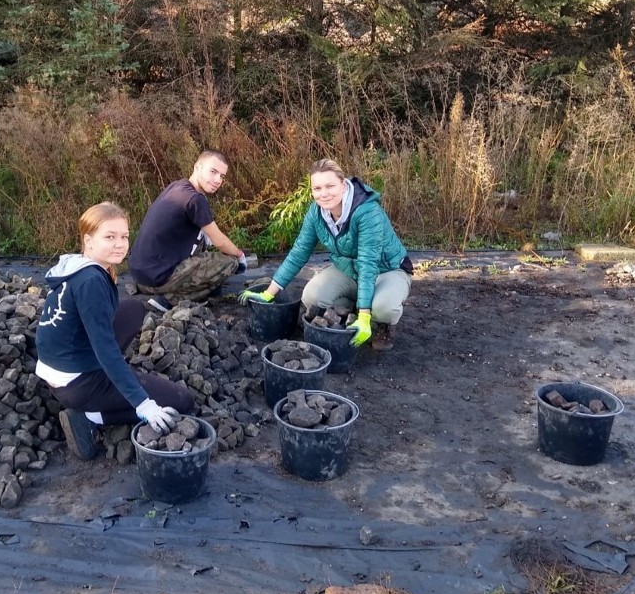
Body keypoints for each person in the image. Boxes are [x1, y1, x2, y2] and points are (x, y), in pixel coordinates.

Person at [34, 202, 194, 460]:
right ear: (88, 240)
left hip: (59, 364)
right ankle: (91, 417)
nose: (120, 244)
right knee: (182, 401)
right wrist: (144, 405)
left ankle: (108, 388)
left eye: (124, 236)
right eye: (109, 237)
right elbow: (107, 351)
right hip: (77, 384)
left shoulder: (77, 266)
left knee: (132, 309)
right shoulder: (91, 282)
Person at [240, 159, 412, 351]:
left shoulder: (367, 211)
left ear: (344, 184)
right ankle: (355, 306)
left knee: (383, 308)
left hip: (386, 269)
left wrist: (364, 317)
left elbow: (368, 263)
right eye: (317, 188)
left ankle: (381, 324)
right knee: (312, 297)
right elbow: (299, 252)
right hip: (348, 269)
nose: (324, 194)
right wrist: (268, 293)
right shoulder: (316, 213)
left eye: (330, 186)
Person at [128, 150, 247, 310]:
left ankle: (201, 287)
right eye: (213, 172)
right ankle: (169, 300)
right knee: (229, 262)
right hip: (157, 280)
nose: (218, 180)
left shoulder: (177, 187)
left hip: (140, 276)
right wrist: (240, 256)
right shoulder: (195, 199)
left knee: (203, 241)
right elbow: (220, 241)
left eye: (222, 176)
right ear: (197, 167)